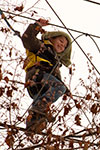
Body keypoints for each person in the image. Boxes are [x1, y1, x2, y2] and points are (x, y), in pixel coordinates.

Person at [21, 18, 72, 133]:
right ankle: (37, 110)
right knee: (59, 88)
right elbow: (27, 39)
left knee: (42, 105)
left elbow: (57, 79)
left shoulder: (55, 61)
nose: (62, 46)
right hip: (37, 75)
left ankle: (33, 124)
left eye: (64, 46)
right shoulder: (42, 47)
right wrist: (37, 25)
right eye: (61, 41)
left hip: (39, 86)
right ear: (51, 39)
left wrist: (67, 91)